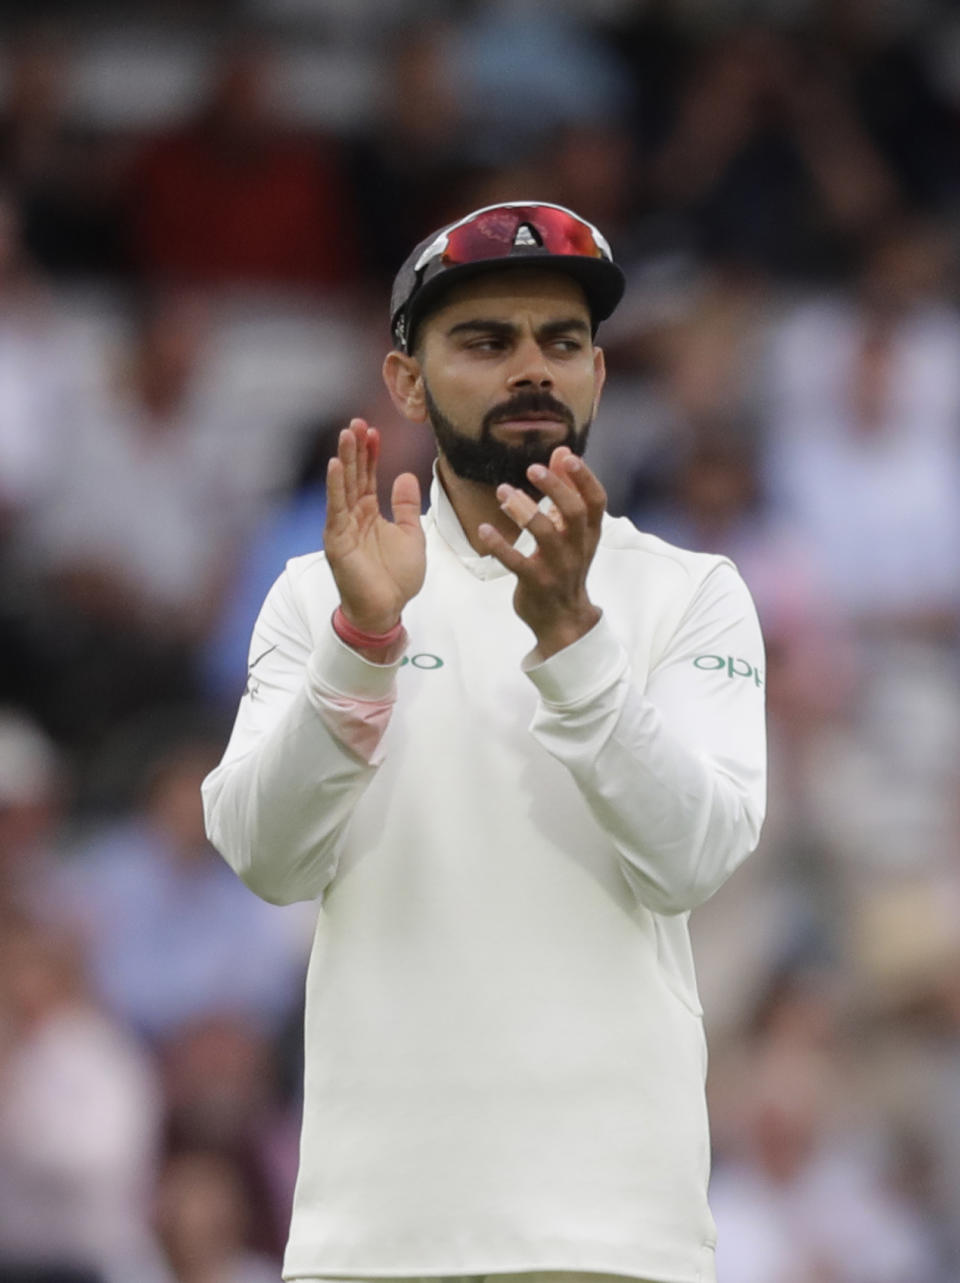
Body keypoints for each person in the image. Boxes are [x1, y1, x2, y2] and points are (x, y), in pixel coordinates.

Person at [202, 201, 767, 1283]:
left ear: (600, 373)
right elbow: (263, 856)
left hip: (617, 1237)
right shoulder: (318, 592)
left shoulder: (693, 593)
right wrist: (364, 640)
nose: (531, 369)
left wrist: (572, 638)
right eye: (484, 340)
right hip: (375, 1235)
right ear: (406, 382)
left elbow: (692, 857)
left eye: (561, 342)